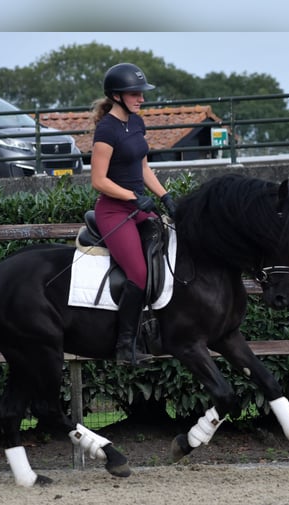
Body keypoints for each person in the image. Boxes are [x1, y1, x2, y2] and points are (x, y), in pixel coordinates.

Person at [90, 62, 177, 366]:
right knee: (138, 273)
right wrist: (132, 197)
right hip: (114, 211)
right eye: (135, 93)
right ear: (116, 95)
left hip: (138, 206)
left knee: (170, 255)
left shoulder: (137, 123)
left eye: (141, 93)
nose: (141, 98)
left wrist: (165, 197)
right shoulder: (107, 129)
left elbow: (142, 167)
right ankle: (124, 345)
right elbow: (98, 180)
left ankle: (160, 328)